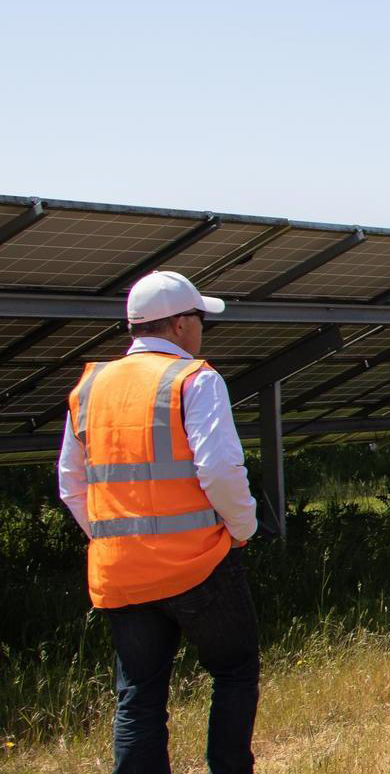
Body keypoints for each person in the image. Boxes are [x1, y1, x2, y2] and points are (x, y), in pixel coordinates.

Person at [58, 270, 260, 773]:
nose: (200, 329)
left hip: (122, 572)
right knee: (234, 670)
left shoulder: (89, 386)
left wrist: (112, 538)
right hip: (199, 564)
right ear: (177, 325)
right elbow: (218, 468)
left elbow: (71, 484)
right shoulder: (195, 378)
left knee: (139, 695)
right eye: (198, 318)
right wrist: (243, 528)